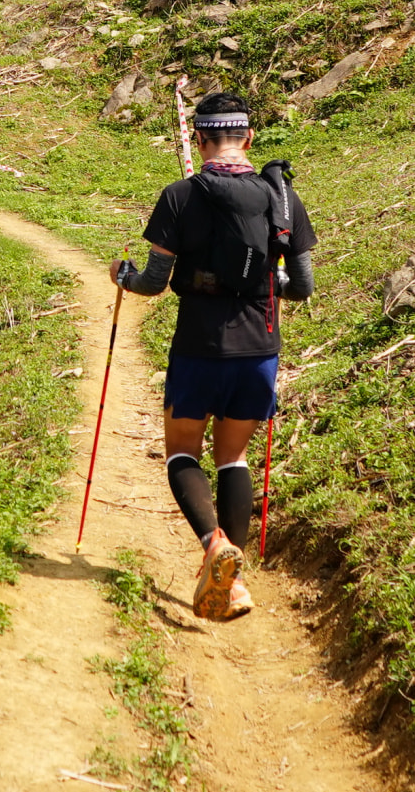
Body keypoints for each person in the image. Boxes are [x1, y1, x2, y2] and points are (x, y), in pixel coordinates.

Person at [112, 91, 317, 621]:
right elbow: (302, 288)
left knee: (182, 452)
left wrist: (123, 277)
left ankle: (212, 545)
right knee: (233, 457)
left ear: (199, 140)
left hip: (199, 344)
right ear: (249, 138)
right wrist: (269, 276)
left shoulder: (179, 195)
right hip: (258, 348)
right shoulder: (283, 198)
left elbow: (155, 283)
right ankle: (236, 584)